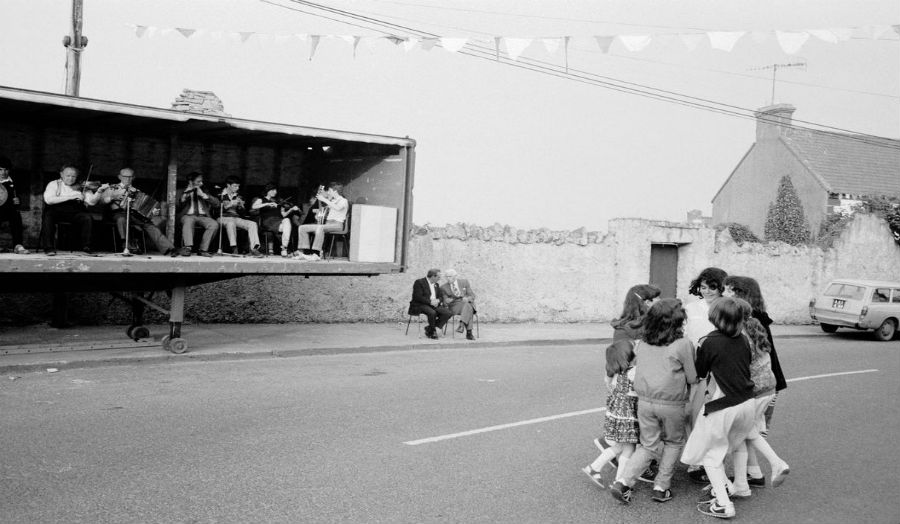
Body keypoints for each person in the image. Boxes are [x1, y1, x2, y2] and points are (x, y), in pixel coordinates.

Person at [681, 297, 789, 519]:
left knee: (711, 456)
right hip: (747, 402)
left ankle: (723, 504)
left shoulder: (708, 341)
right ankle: (736, 485)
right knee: (737, 443)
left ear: (714, 317)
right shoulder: (742, 339)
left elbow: (700, 373)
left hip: (724, 405)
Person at [609, 298, 698, 505]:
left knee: (648, 445)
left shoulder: (643, 343)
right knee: (673, 442)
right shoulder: (683, 344)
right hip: (672, 403)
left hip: (645, 402)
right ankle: (661, 487)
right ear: (677, 322)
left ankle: (623, 482)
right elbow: (692, 378)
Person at [723, 275, 788, 487]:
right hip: (768, 384)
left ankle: (774, 463)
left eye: (730, 290)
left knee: (745, 431)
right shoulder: (757, 318)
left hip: (756, 387)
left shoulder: (748, 322)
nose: (726, 294)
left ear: (742, 295)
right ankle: (754, 474)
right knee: (747, 430)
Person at [604, 284, 661, 482]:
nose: (655, 303)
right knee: (639, 424)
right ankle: (636, 463)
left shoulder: (627, 325)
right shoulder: (632, 327)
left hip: (636, 380)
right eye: (651, 299)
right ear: (642, 302)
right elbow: (618, 353)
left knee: (639, 423)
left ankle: (628, 455)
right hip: (635, 381)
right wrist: (611, 374)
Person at [683, 267, 728, 484]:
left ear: (721, 288)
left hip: (718, 367)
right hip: (694, 365)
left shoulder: (728, 307)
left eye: (712, 287)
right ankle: (696, 460)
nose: (708, 291)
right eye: (703, 287)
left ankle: (711, 459)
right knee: (692, 411)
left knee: (711, 414)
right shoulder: (691, 308)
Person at [582, 339, 639, 489]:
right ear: (630, 356)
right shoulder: (634, 373)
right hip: (628, 418)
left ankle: (594, 468)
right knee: (629, 448)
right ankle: (620, 481)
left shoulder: (615, 373)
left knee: (620, 446)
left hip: (616, 416)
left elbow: (610, 386)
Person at [101, 168, 177, 256]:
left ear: (133, 178)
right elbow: (102, 201)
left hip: (133, 214)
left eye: (130, 177)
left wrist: (152, 211)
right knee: (121, 219)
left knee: (149, 224)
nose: (128, 179)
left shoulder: (136, 191)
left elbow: (143, 205)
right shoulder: (112, 188)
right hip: (117, 213)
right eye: (125, 176)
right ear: (119, 177)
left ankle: (169, 248)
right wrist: (112, 197)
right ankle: (127, 245)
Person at [41, 165, 107, 256]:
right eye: (68, 176)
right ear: (61, 175)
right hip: (56, 211)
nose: (71, 179)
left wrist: (99, 192)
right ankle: (48, 248)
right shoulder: (54, 184)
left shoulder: (82, 186)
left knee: (87, 217)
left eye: (73, 176)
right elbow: (49, 200)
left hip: (74, 213)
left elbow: (91, 202)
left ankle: (87, 246)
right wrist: (72, 196)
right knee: (48, 216)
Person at [294, 182, 349, 261]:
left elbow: (338, 208)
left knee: (320, 228)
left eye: (329, 191)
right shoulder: (332, 201)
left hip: (337, 225)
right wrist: (319, 214)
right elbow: (324, 210)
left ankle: (316, 254)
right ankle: (304, 253)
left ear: (335, 191)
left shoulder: (343, 201)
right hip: (327, 224)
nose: (328, 192)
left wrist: (324, 199)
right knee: (302, 228)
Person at [218, 176, 263, 258]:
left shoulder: (238, 195)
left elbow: (242, 212)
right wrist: (231, 203)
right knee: (230, 223)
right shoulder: (220, 193)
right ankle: (234, 248)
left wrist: (241, 206)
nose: (237, 188)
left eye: (238, 186)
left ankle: (254, 248)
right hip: (223, 217)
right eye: (235, 186)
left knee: (252, 224)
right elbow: (218, 207)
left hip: (236, 217)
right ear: (228, 185)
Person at [177, 171, 219, 257]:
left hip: (202, 216)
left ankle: (203, 249)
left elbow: (217, 203)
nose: (201, 183)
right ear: (190, 182)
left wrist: (204, 195)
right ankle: (187, 248)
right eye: (198, 181)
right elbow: (177, 206)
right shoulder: (181, 191)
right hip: (188, 215)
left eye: (201, 181)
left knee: (214, 224)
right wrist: (184, 196)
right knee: (188, 221)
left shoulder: (204, 190)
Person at [251, 184, 298, 258]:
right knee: (286, 226)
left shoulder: (277, 202)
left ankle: (284, 247)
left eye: (275, 190)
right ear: (268, 190)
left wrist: (291, 209)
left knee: (287, 220)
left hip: (279, 221)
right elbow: (254, 206)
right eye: (273, 190)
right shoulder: (261, 199)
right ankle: (285, 249)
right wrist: (267, 204)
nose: (275, 192)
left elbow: (283, 215)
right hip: (268, 221)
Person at [408, 268, 452, 340]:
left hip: (434, 304)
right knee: (432, 312)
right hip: (420, 304)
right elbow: (418, 296)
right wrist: (430, 302)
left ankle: (429, 328)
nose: (439, 279)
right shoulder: (419, 282)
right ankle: (432, 332)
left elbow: (440, 296)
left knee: (448, 313)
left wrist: (438, 300)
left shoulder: (436, 285)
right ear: (432, 276)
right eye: (438, 277)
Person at [0, 156, 29, 254]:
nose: (3, 173)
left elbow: (20, 198)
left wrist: (18, 200)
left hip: (9, 210)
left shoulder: (14, 182)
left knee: (16, 215)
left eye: (6, 170)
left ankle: (18, 245)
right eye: (0, 170)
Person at [440, 269, 477, 340]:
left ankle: (462, 324)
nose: (448, 278)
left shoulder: (464, 282)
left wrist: (468, 298)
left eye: (449, 276)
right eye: (446, 277)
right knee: (469, 308)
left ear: (455, 276)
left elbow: (472, 295)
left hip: (466, 303)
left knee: (467, 305)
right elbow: (444, 301)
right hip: (455, 306)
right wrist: (447, 301)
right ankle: (469, 333)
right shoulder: (443, 287)